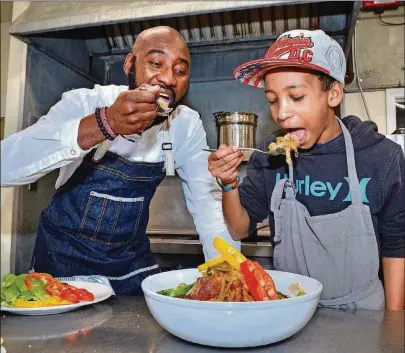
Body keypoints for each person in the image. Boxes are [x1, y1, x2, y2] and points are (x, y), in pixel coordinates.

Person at [1, 26, 239, 295]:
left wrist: (231, 275)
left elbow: (209, 207)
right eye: (156, 63)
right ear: (130, 64)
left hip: (130, 271)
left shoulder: (185, 125)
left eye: (180, 71)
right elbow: (6, 166)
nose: (168, 79)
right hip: (61, 268)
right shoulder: (84, 102)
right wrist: (104, 124)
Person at [208, 29, 404, 310]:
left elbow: (397, 246)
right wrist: (228, 183)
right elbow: (239, 229)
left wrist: (394, 324)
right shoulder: (269, 155)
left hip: (364, 314)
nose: (282, 113)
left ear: (333, 94)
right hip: (291, 307)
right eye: (273, 100)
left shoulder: (381, 157)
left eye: (296, 96)